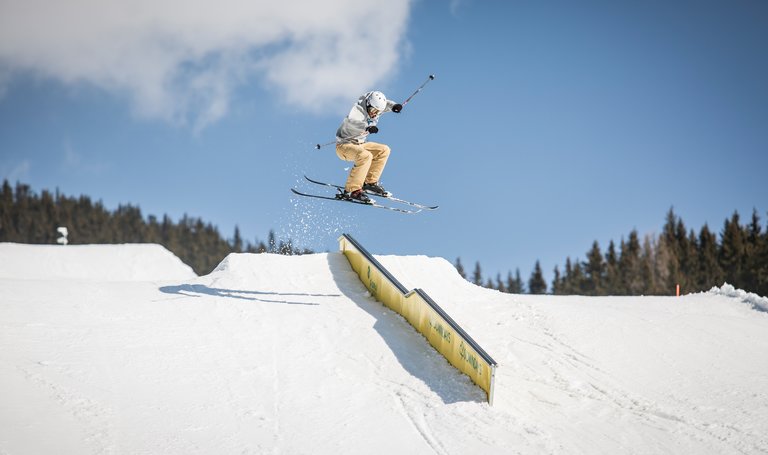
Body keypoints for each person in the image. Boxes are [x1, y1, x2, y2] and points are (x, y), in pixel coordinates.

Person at [335, 90, 402, 203]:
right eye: (374, 111)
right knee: (365, 156)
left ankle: (369, 183)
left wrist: (394, 106)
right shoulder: (357, 111)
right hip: (344, 146)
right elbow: (356, 122)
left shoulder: (373, 106)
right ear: (368, 105)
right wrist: (367, 127)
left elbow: (385, 104)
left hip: (360, 144)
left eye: (378, 112)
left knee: (384, 150)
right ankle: (353, 190)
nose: (375, 114)